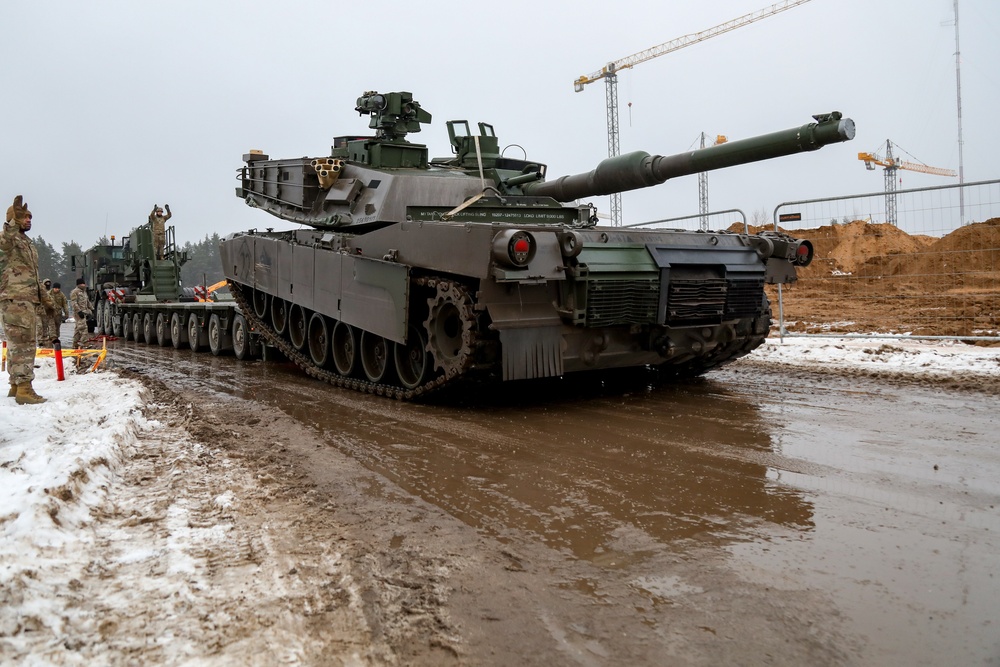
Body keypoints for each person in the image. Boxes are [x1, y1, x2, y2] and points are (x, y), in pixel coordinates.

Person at [1, 195, 55, 404]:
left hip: (25, 299)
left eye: (30, 217)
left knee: (16, 345)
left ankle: (16, 386)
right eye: (24, 217)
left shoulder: (26, 243)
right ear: (14, 220)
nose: (29, 220)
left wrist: (47, 301)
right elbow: (4, 241)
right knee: (24, 345)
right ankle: (24, 388)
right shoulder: (9, 238)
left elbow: (33, 276)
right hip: (16, 299)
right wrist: (13, 222)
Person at [70, 277, 93, 349]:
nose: (83, 285)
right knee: (83, 328)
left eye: (84, 284)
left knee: (77, 329)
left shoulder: (84, 292)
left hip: (84, 312)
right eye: (82, 284)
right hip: (78, 313)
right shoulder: (75, 292)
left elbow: (87, 302)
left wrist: (92, 309)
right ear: (78, 284)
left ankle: (75, 343)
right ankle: (85, 343)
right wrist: (79, 311)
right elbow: (74, 303)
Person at [47, 281, 69, 345]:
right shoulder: (48, 294)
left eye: (58, 288)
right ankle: (53, 338)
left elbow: (65, 304)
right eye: (56, 288)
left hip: (58, 313)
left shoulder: (61, 295)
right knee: (51, 326)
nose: (57, 289)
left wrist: (66, 313)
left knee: (57, 326)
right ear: (53, 288)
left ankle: (56, 337)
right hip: (50, 312)